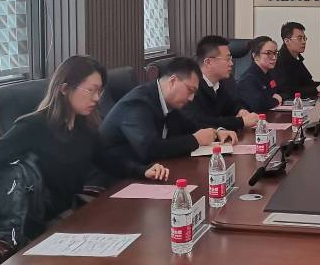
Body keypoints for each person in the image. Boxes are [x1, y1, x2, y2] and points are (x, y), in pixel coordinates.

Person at [0, 56, 130, 227]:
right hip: (36, 226)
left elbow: (108, 161)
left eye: (100, 91)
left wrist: (143, 171)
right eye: (91, 90)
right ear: (64, 88)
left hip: (68, 215)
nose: (97, 98)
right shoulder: (33, 126)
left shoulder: (84, 126)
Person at [99, 57, 234, 177]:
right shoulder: (137, 103)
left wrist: (217, 131)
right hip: (115, 180)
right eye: (190, 90)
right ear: (172, 81)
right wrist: (195, 140)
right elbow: (150, 148)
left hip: (148, 171)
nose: (191, 98)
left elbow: (190, 125)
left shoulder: (165, 100)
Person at [185, 35, 260, 132]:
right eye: (227, 59)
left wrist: (241, 111)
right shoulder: (190, 87)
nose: (231, 63)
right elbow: (201, 122)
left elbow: (232, 104)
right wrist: (240, 122)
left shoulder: (222, 82)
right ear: (208, 62)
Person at [237, 35, 283, 113]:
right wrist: (276, 100)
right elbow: (259, 106)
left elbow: (274, 94)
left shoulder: (268, 73)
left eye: (275, 53)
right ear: (255, 56)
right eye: (268, 53)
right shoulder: (248, 79)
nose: (274, 57)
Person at [275, 21, 320, 100]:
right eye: (299, 38)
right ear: (287, 41)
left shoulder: (297, 58)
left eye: (304, 38)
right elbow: (288, 91)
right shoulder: (279, 61)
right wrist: (316, 89)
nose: (303, 42)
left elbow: (307, 82)